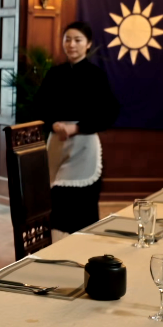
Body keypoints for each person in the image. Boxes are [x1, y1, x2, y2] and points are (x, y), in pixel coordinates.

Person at [34, 21, 120, 239]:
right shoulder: (55, 74)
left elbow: (109, 113)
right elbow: (39, 106)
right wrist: (53, 123)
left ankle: (82, 248)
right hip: (57, 143)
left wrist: (77, 127)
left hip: (84, 145)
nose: (71, 44)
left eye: (77, 40)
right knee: (56, 198)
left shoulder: (96, 76)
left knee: (82, 202)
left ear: (88, 44)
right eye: (67, 39)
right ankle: (55, 248)